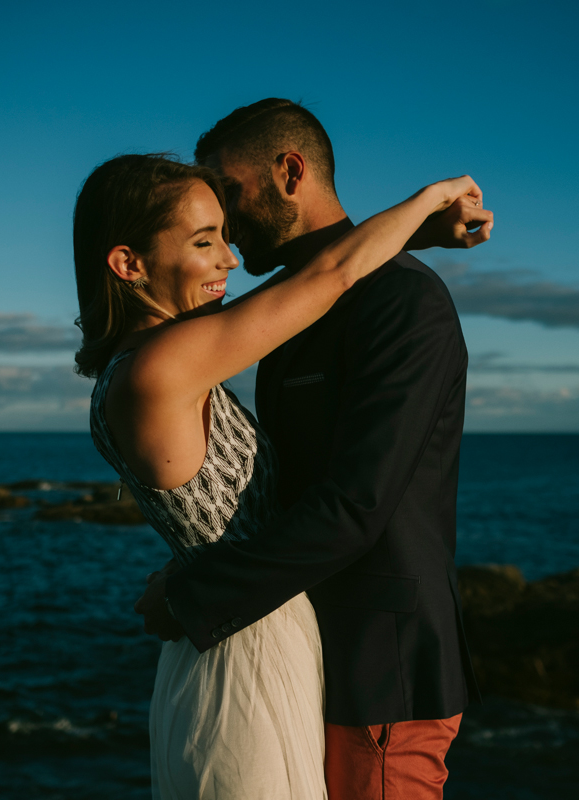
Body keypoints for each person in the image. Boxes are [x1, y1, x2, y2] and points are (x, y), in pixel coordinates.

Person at [74, 147, 489, 799]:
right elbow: (332, 276)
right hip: (247, 654)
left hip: (238, 635)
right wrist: (427, 203)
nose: (230, 260)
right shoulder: (162, 368)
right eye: (206, 241)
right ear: (128, 264)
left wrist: (187, 583)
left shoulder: (141, 367)